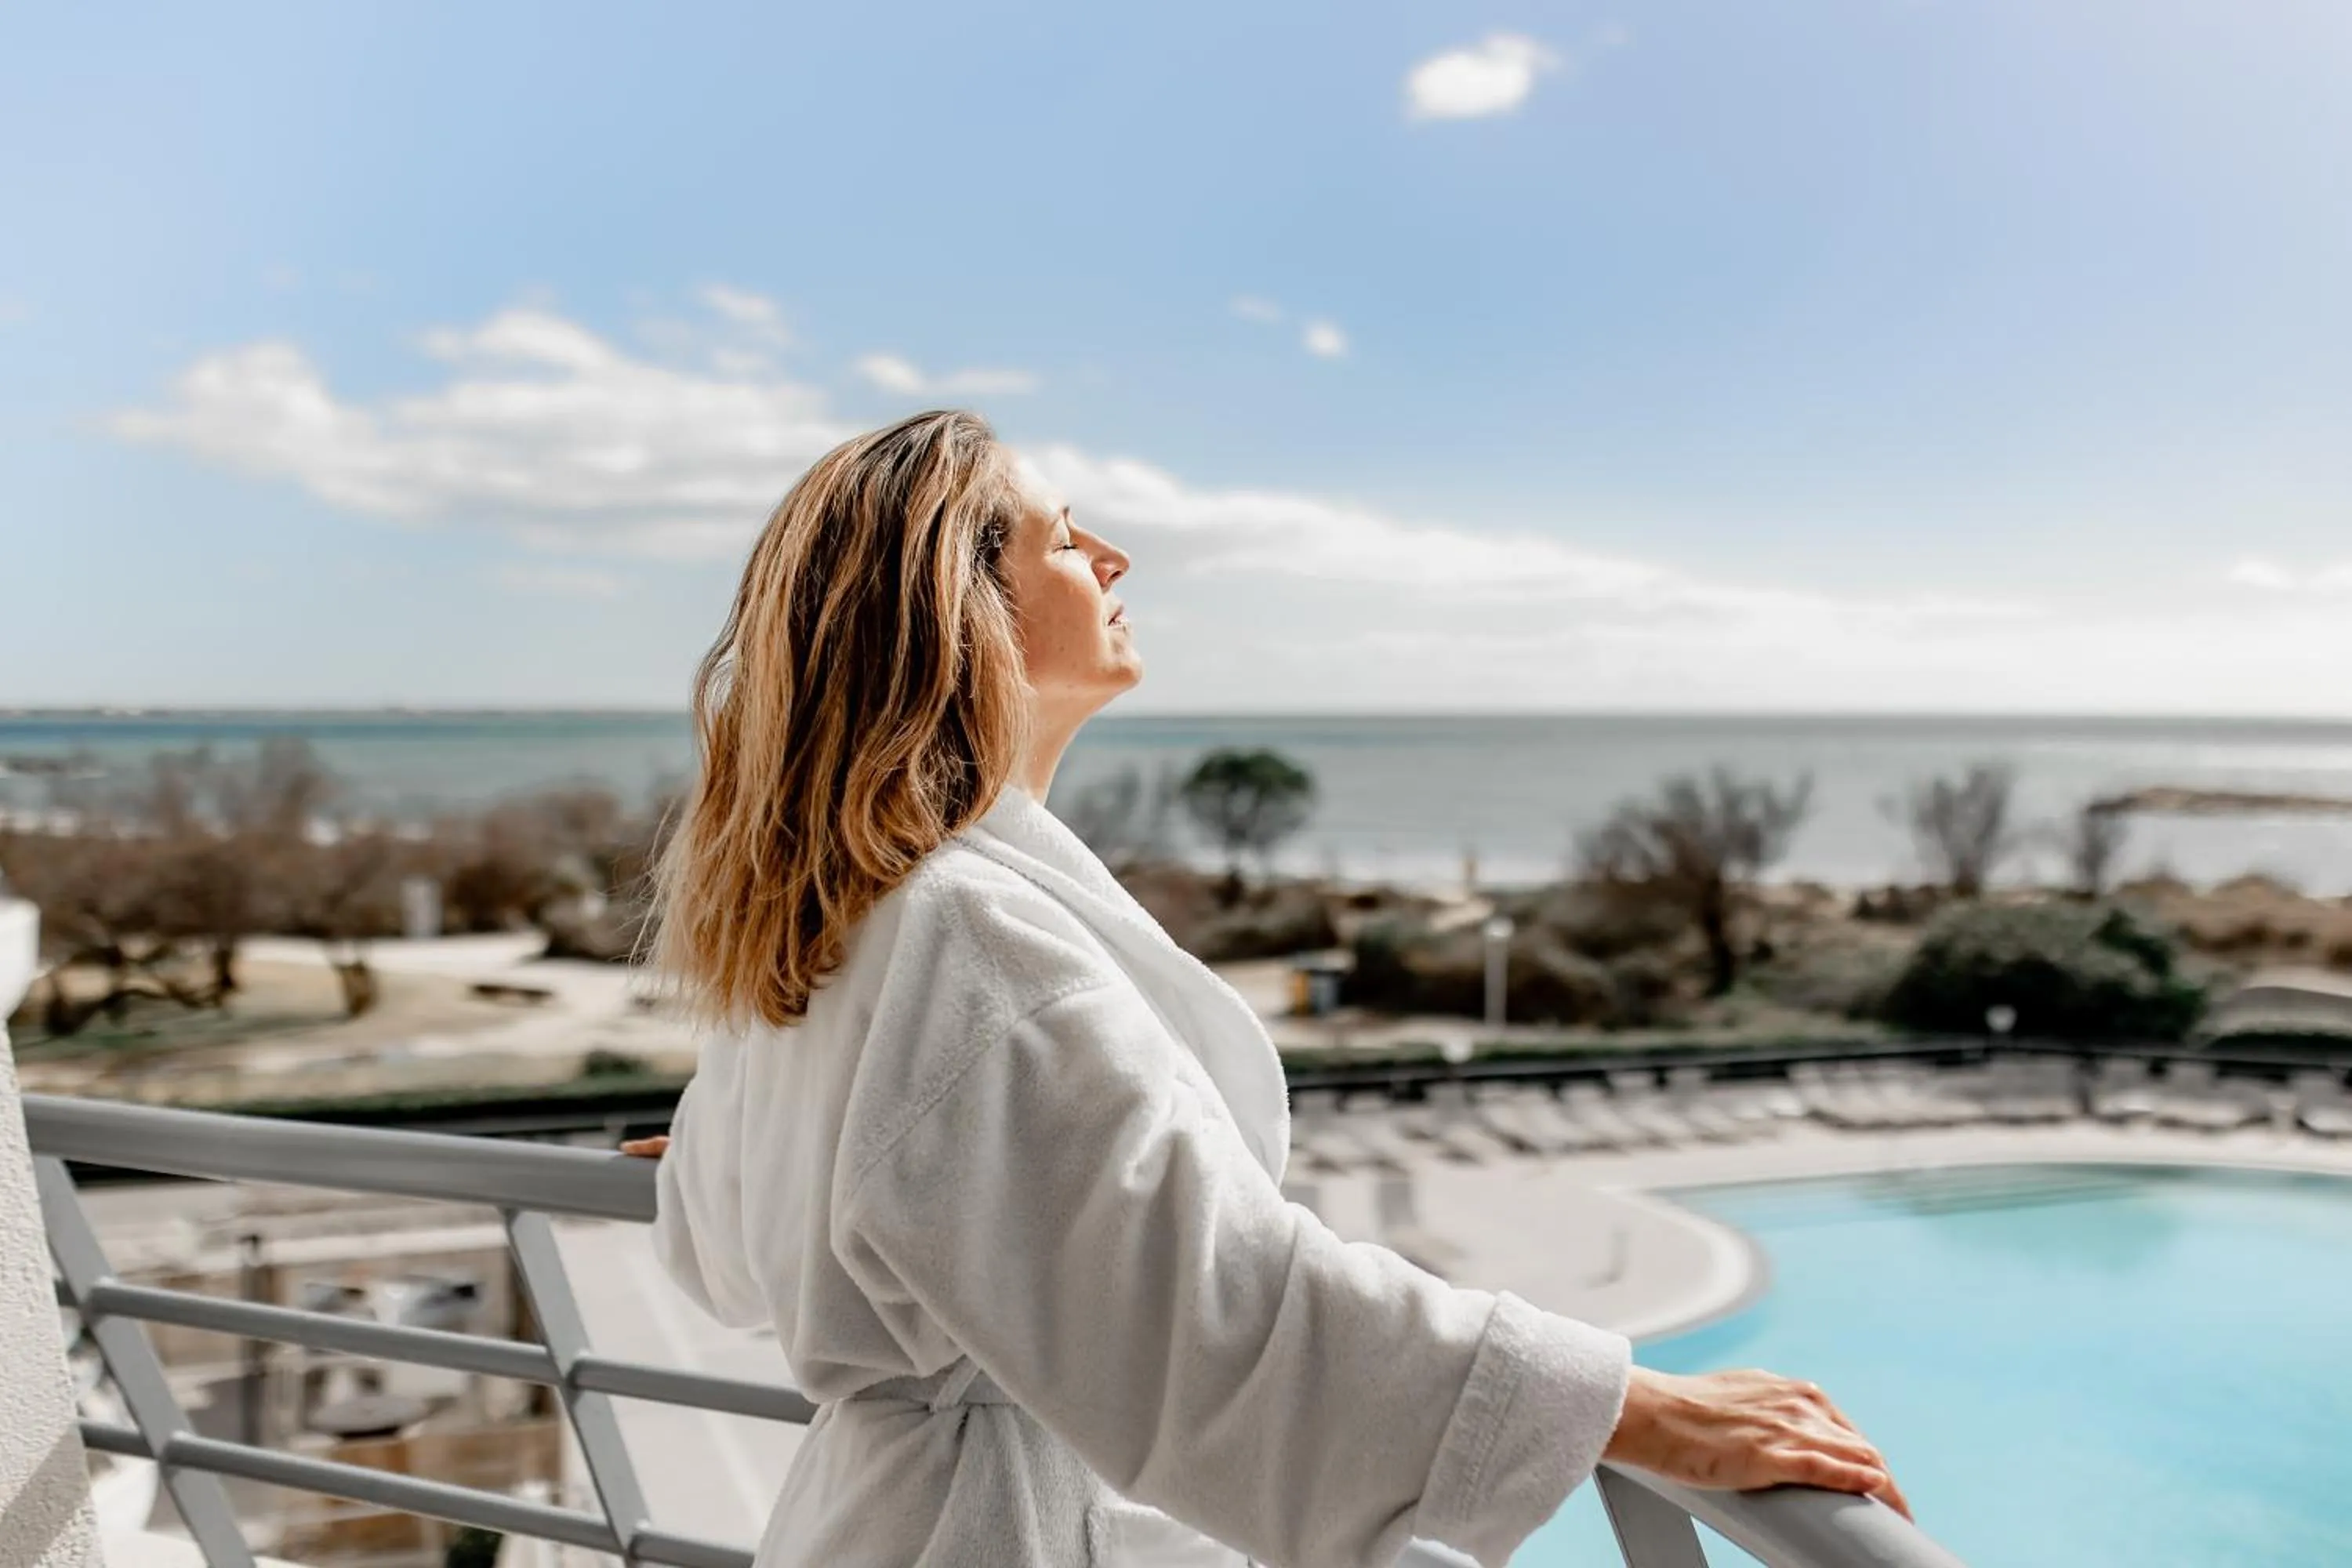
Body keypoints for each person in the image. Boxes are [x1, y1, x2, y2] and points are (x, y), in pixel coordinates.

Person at [627, 411, 1909, 1567]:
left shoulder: (852, 922)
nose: (1117, 558)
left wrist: (725, 1145)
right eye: (1065, 541)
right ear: (958, 612)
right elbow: (1209, 1309)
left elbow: (748, 1245)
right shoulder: (964, 932)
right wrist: (1638, 1407)